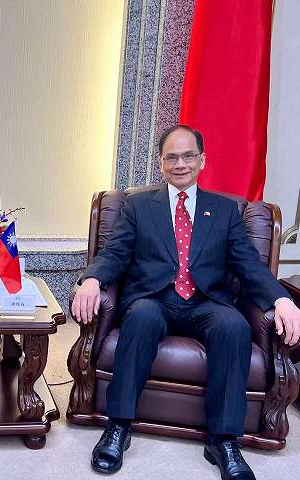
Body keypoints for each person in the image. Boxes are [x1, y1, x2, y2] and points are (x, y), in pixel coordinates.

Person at [72, 125, 300, 480]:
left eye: (188, 156)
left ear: (202, 160)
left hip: (206, 301)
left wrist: (281, 299)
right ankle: (118, 426)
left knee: (233, 326)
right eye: (172, 157)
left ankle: (223, 440)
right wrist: (91, 279)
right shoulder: (138, 207)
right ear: (161, 163)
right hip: (153, 297)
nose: (180, 164)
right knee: (141, 317)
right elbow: (114, 252)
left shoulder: (225, 211)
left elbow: (249, 265)